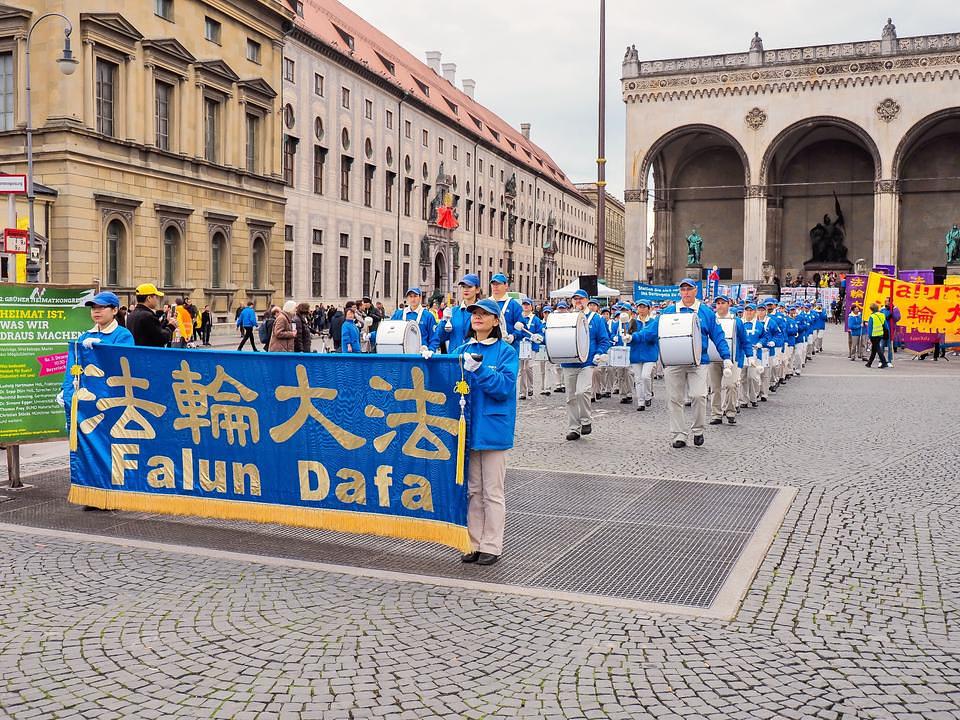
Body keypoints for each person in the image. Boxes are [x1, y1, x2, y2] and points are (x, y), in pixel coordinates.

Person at [455, 296, 518, 567]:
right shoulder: (461, 349)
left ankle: (491, 544)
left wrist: (479, 371)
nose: (477, 317)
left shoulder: (506, 352)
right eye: (474, 313)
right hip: (468, 429)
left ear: (495, 321)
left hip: (493, 428)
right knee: (472, 490)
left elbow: (504, 387)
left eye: (484, 314)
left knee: (492, 491)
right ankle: (472, 542)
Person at [656, 278, 731, 448]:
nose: (686, 292)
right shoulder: (669, 311)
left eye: (689, 289)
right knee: (674, 398)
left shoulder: (706, 312)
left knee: (698, 395)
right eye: (683, 289)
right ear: (680, 292)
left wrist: (726, 356)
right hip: (674, 361)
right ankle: (679, 435)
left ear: (695, 291)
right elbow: (654, 329)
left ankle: (698, 430)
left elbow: (718, 336)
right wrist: (634, 338)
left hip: (699, 361)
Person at [59, 291, 135, 412]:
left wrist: (102, 346)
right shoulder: (84, 336)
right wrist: (65, 390)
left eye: (102, 307)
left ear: (114, 310)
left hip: (113, 397)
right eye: (93, 308)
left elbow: (123, 364)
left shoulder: (123, 335)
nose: (96, 311)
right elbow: (74, 366)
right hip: (87, 397)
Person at [560, 289, 611, 441]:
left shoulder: (596, 319)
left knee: (582, 392)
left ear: (587, 300)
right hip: (569, 362)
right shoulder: (567, 317)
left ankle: (586, 420)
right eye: (575, 299)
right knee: (570, 398)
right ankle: (573, 428)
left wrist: (599, 352)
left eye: (581, 299)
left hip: (588, 362)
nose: (578, 302)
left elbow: (604, 340)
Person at [708, 295, 751, 425]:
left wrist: (750, 356)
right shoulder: (711, 320)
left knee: (731, 385)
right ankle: (716, 414)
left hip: (733, 358)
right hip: (713, 358)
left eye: (722, 303)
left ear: (728, 304)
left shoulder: (736, 321)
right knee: (715, 387)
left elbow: (745, 340)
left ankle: (731, 411)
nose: (720, 305)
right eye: (718, 303)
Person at [431, 274, 480, 354]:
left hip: (474, 359)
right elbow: (440, 337)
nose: (466, 290)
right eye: (463, 287)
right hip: (454, 359)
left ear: (477, 289)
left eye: (469, 287)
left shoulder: (483, 312)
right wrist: (444, 321)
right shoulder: (453, 312)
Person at [624, 299, 658, 411]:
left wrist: (636, 336)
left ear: (649, 309)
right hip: (636, 353)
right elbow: (627, 336)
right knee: (638, 379)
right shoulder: (633, 322)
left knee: (645, 376)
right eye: (639, 307)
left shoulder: (653, 322)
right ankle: (641, 402)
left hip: (649, 353)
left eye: (644, 307)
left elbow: (652, 336)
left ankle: (648, 395)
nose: (641, 309)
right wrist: (626, 338)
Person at [390, 288, 437, 357]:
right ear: (407, 298)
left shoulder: (428, 316)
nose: (413, 299)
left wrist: (431, 350)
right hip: (401, 355)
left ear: (420, 297)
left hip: (421, 356)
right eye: (410, 296)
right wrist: (371, 335)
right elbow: (389, 330)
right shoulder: (398, 314)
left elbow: (434, 337)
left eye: (415, 296)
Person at [126, 283, 174, 347]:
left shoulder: (131, 315)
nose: (157, 300)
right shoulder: (147, 316)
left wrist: (166, 322)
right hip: (149, 354)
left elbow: (153, 331)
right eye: (155, 297)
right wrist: (171, 327)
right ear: (149, 298)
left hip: (137, 353)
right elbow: (161, 338)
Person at [515, 297, 544, 400]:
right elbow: (517, 331)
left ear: (531, 307)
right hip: (521, 346)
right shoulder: (519, 319)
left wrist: (536, 337)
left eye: (528, 304)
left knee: (528, 367)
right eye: (524, 304)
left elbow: (540, 333)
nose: (526, 306)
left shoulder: (535, 320)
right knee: (521, 369)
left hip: (531, 346)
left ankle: (530, 387)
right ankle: (522, 392)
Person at [488, 273, 524, 353]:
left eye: (499, 284)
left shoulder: (514, 305)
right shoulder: (486, 303)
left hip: (509, 348)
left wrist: (513, 336)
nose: (495, 286)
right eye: (493, 284)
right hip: (489, 347)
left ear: (506, 286)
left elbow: (522, 326)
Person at [865, 303, 889, 369]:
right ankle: (869, 363)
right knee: (874, 349)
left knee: (877, 349)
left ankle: (884, 362)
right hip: (880, 334)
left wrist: (869, 336)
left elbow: (870, 328)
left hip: (873, 335)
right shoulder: (882, 315)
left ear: (871, 309)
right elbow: (885, 325)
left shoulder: (872, 317)